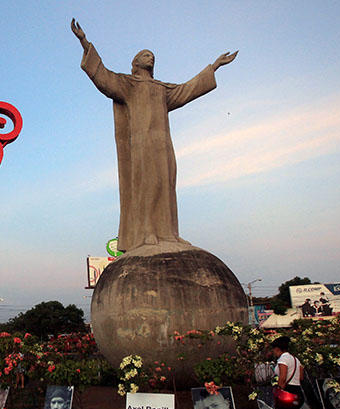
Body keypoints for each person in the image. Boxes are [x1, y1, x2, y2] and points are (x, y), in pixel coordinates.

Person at [71, 19, 236, 253]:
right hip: (141, 143)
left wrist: (214, 67)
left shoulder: (162, 89)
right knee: (146, 184)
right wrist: (84, 42)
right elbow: (103, 77)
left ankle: (169, 233)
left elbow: (188, 89)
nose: (151, 57)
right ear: (135, 63)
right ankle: (146, 231)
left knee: (166, 183)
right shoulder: (128, 84)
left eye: (152, 56)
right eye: (146, 55)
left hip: (163, 145)